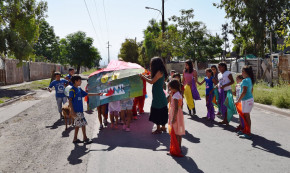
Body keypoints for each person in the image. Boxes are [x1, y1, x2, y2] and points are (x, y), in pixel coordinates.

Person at [68, 75, 102, 143]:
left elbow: (87, 94)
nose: (81, 82)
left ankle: (75, 139)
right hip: (76, 111)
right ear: (75, 81)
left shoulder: (79, 89)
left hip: (80, 110)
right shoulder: (72, 90)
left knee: (77, 125)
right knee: (83, 124)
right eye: (79, 81)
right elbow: (70, 100)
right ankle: (85, 138)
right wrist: (72, 111)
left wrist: (97, 94)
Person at [140, 57, 168, 134]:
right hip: (159, 94)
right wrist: (146, 75)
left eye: (151, 63)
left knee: (157, 110)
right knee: (162, 110)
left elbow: (152, 81)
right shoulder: (160, 71)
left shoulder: (159, 72)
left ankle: (159, 129)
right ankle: (163, 127)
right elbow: (154, 78)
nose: (151, 65)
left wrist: (143, 77)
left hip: (158, 94)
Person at [236, 66, 255, 139]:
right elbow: (251, 90)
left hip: (246, 100)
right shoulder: (249, 79)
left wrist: (238, 100)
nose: (242, 73)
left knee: (246, 117)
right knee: (246, 116)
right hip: (248, 99)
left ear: (246, 72)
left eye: (243, 71)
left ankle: (248, 132)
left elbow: (244, 92)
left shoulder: (245, 80)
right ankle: (245, 130)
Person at [168, 79, 185, 149]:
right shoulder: (179, 94)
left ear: (173, 87)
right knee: (179, 132)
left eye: (170, 87)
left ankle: (175, 149)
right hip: (179, 114)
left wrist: (174, 118)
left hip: (175, 114)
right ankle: (179, 147)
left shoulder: (175, 96)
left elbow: (176, 108)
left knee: (174, 132)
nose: (169, 89)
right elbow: (180, 106)